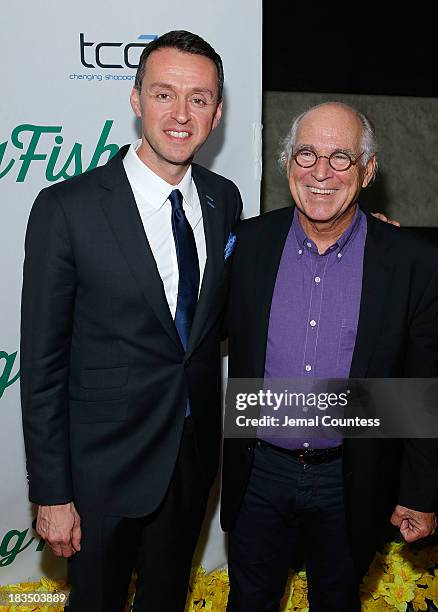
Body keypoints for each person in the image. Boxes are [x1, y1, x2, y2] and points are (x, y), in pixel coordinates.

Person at [20, 30, 242, 612]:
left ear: (216, 113)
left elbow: (220, 317)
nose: (180, 113)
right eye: (164, 93)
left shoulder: (225, 200)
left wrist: (359, 237)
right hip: (99, 475)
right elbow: (42, 365)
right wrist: (51, 492)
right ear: (135, 99)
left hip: (191, 464)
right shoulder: (66, 208)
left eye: (198, 98)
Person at [221, 101, 438, 611]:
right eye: (306, 153)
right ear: (287, 165)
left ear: (367, 171)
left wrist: (422, 492)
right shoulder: (247, 245)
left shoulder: (414, 263)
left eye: (341, 157)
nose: (320, 172)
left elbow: (428, 388)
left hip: (355, 475)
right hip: (258, 471)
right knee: (249, 601)